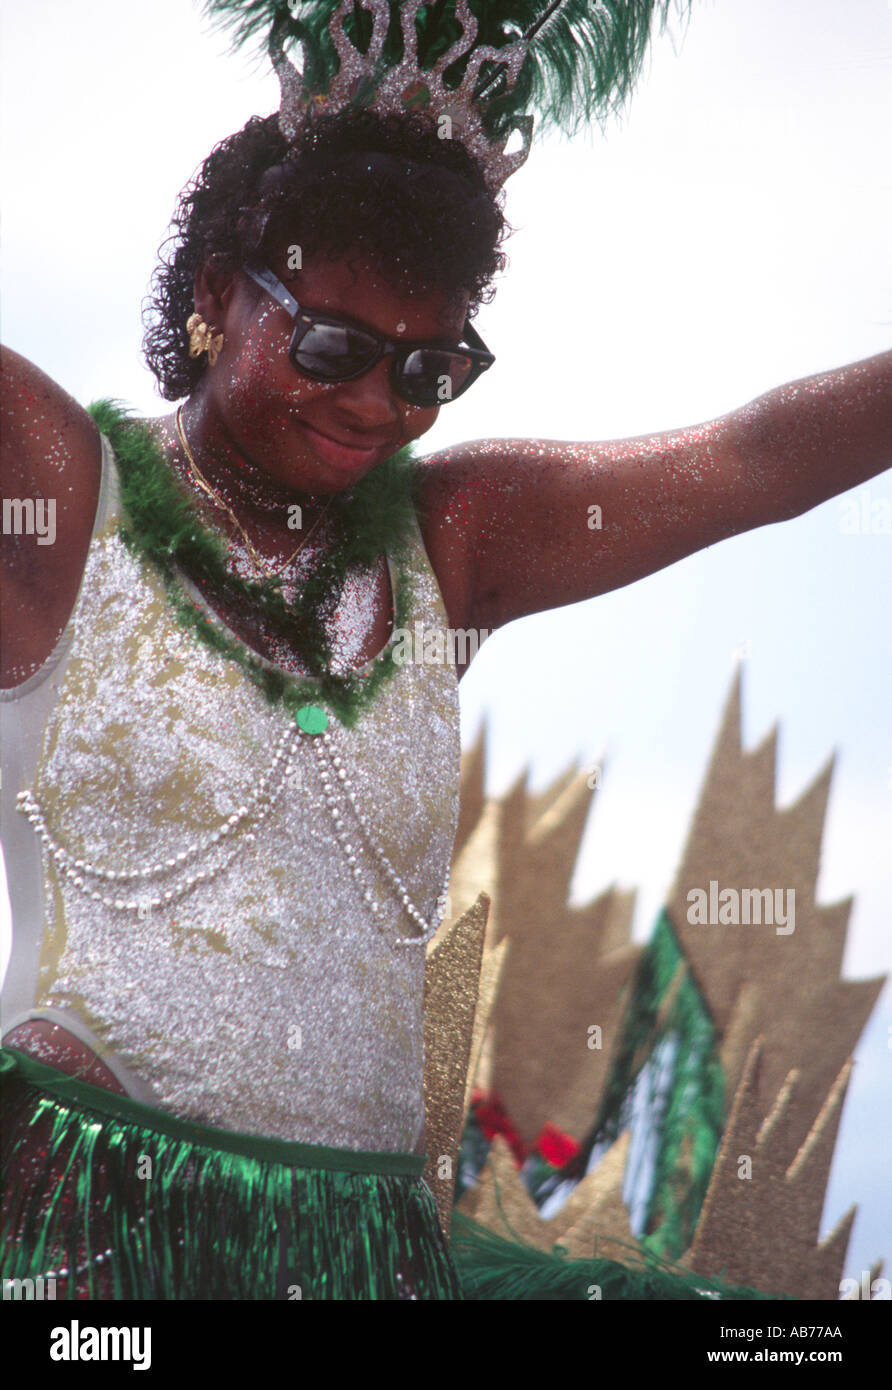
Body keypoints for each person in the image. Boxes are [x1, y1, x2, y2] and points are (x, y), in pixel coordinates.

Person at [1, 0, 889, 1301]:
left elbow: (754, 460)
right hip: (87, 1240)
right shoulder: (66, 497)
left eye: (431, 368)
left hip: (368, 1259)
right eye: (332, 346)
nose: (378, 404)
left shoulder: (456, 541)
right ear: (211, 296)